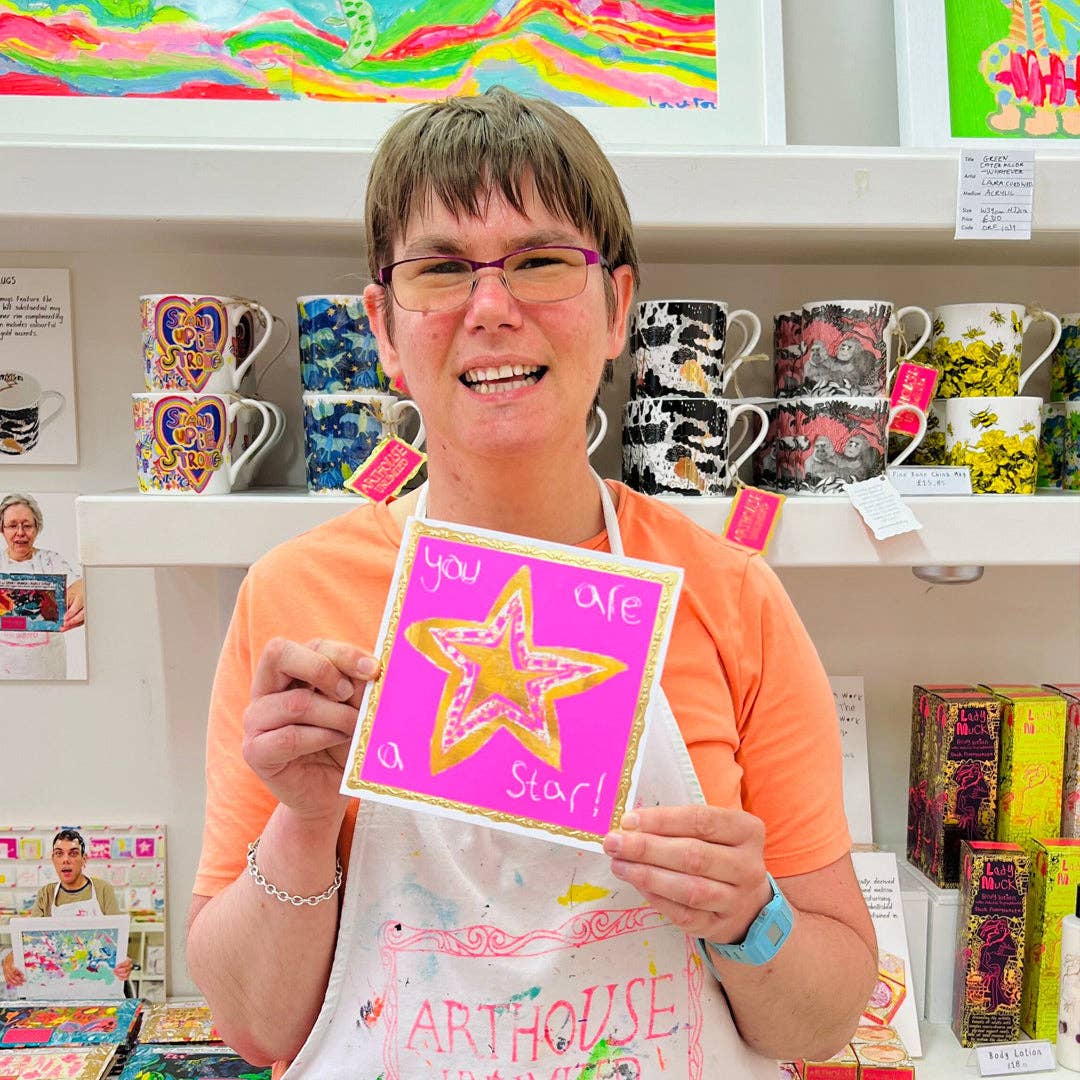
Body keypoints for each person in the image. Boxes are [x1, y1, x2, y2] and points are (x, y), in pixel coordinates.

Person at [188, 88, 876, 1078]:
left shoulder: (732, 597)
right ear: (382, 327)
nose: (493, 308)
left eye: (542, 262)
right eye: (442, 270)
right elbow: (256, 1030)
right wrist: (302, 819)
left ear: (618, 310)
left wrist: (749, 917)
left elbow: (823, 1019)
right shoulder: (293, 596)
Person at [2, 829, 134, 989]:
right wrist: (11, 956)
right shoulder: (46, 893)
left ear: (84, 859)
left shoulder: (102, 889)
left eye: (73, 854)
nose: (65, 860)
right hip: (57, 984)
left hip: (97, 982)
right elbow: (30, 940)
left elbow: (117, 941)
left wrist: (125, 962)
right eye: (59, 854)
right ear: (53, 860)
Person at [0, 493, 85, 679]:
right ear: (2, 529)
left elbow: (79, 584)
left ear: (37, 528)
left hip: (47, 671)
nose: (20, 532)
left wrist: (83, 588)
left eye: (27, 525)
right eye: (12, 525)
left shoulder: (51, 561)